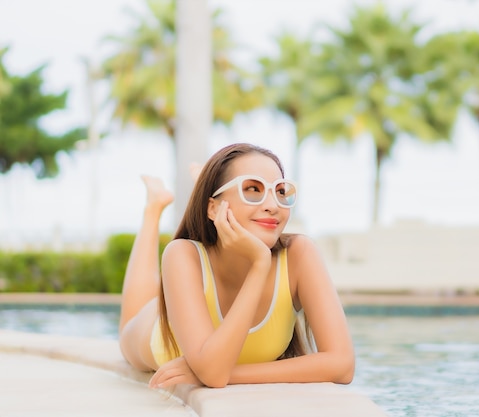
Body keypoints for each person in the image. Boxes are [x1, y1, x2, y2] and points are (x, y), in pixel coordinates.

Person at [118, 142, 355, 389]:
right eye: (252, 189)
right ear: (213, 207)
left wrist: (228, 373)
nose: (273, 205)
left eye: (281, 191)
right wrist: (259, 264)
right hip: (158, 331)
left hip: (205, 300)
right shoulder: (182, 255)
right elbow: (214, 375)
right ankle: (154, 206)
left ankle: (213, 184)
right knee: (130, 324)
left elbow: (342, 364)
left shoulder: (300, 253)